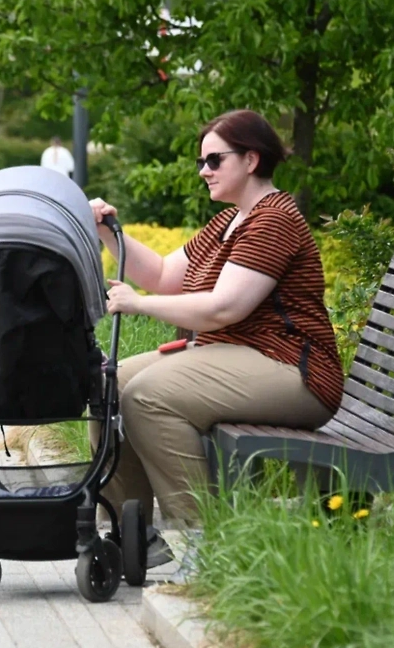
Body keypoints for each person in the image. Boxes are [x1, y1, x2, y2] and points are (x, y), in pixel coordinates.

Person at [89, 109, 343, 578]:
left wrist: (138, 305)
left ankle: (205, 543)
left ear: (250, 160)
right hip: (238, 358)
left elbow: (224, 309)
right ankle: (135, 534)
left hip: (293, 371)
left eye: (214, 160)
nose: (203, 170)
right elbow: (165, 276)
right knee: (106, 385)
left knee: (148, 397)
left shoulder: (274, 221)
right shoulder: (231, 221)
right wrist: (108, 231)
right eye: (202, 161)